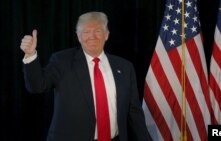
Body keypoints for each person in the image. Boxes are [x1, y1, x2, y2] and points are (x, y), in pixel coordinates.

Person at [20, 11, 150, 141]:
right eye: (86, 32)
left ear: (107, 35)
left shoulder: (125, 67)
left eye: (98, 31)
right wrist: (30, 55)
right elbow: (37, 86)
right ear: (78, 36)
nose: (92, 36)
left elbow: (134, 113)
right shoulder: (62, 61)